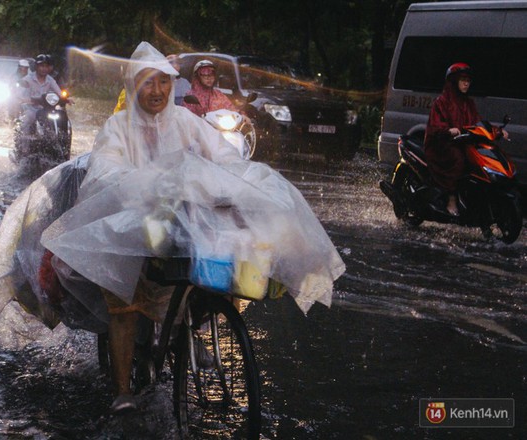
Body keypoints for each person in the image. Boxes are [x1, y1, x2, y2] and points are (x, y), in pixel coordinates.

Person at [40, 42, 345, 414]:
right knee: (124, 304)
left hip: (179, 226)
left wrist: (229, 184)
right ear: (135, 86)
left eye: (164, 83)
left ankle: (190, 335)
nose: (157, 91)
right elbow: (105, 171)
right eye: (149, 83)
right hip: (133, 229)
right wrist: (144, 186)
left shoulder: (186, 122)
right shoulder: (117, 128)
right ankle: (122, 391)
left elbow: (223, 156)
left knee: (220, 268)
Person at [424, 63, 507, 216]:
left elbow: (478, 123)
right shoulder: (441, 102)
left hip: (463, 142)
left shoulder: (469, 103)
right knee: (458, 159)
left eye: (468, 80)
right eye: (462, 80)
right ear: (453, 81)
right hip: (442, 144)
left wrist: (497, 131)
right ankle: (451, 198)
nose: (466, 83)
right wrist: (448, 130)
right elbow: (435, 125)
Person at [17, 54, 63, 141]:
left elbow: (59, 93)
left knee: (61, 117)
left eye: (46, 66)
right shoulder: (28, 79)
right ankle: (24, 148)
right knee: (27, 120)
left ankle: (60, 140)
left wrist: (66, 99)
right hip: (31, 108)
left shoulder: (50, 80)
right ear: (36, 67)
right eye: (41, 66)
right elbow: (19, 94)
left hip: (46, 109)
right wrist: (25, 99)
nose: (44, 69)